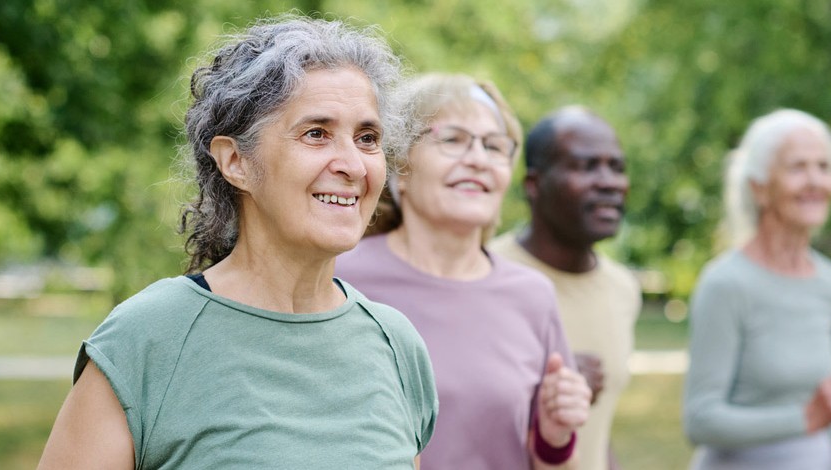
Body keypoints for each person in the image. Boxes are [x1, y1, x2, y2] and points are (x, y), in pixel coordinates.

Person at [37, 16, 436, 469]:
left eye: (368, 138)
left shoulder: (395, 342)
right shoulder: (145, 339)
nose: (353, 165)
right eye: (316, 133)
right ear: (235, 161)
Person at [335, 73, 592, 470]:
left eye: (494, 146)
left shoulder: (531, 294)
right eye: (452, 139)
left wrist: (554, 438)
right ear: (400, 165)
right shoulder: (338, 276)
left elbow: (555, 462)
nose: (477, 159)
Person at [682, 109, 831, 470]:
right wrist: (810, 418)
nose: (814, 180)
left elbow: (800, 398)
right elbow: (701, 420)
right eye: (797, 167)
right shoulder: (726, 284)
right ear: (760, 187)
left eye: (824, 167)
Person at [488, 106, 641, 470]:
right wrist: (543, 398)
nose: (610, 182)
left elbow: (598, 432)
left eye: (617, 167)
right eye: (586, 167)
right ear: (534, 185)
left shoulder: (623, 288)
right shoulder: (483, 275)